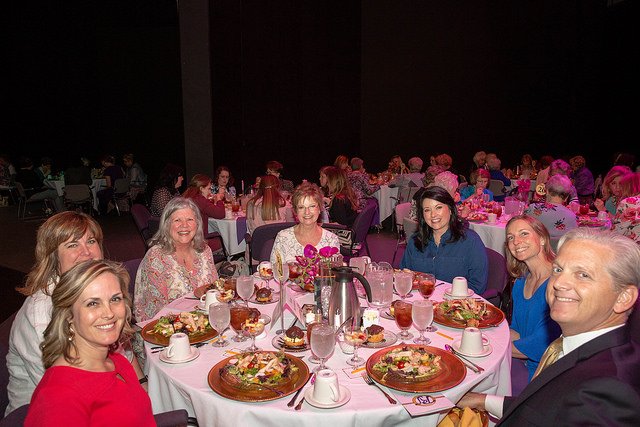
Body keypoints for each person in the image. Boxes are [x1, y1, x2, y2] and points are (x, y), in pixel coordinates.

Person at [459, 228, 640, 425]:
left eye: (583, 275)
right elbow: (546, 407)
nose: (559, 283)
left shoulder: (611, 390)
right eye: (558, 270)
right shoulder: (574, 345)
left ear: (624, 298)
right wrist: (483, 400)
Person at [6, 212, 143, 414]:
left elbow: (125, 351)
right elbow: (63, 397)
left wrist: (144, 391)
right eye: (72, 245)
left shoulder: (103, 287)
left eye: (91, 241)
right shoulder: (43, 313)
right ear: (54, 258)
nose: (86, 252)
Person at [24, 260, 155, 426]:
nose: (109, 313)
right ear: (68, 315)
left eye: (115, 299)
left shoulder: (117, 361)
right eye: (93, 303)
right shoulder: (58, 397)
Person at [134, 197, 218, 322]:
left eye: (190, 219)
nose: (184, 225)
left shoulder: (204, 251)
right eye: (177, 220)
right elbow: (154, 313)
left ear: (197, 224)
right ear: (167, 225)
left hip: (207, 322)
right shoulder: (156, 257)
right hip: (169, 330)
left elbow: (214, 290)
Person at [400, 186, 488, 294]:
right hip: (420, 302)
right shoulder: (415, 241)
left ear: (450, 209)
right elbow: (405, 274)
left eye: (438, 207)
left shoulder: (470, 241)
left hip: (456, 305)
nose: (433, 215)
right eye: (427, 210)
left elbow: (478, 285)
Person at [504, 215, 561, 381]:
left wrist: (487, 345)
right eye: (510, 237)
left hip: (545, 374)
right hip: (522, 364)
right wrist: (483, 334)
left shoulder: (558, 285)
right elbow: (517, 331)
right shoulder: (521, 282)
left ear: (542, 239)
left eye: (524, 234)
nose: (516, 241)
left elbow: (541, 345)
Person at [270, 182, 339, 266]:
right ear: (295, 211)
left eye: (312, 206)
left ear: (320, 208)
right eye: (301, 207)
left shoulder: (331, 240)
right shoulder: (283, 238)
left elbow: (334, 275)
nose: (307, 212)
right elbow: (275, 272)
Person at [523, 174, 578, 249]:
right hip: (560, 256)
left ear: (547, 192)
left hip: (535, 253)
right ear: (566, 197)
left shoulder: (533, 209)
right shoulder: (572, 217)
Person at [182, 173, 226, 252]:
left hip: (186, 240)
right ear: (201, 188)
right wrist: (219, 199)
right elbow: (221, 214)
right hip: (197, 242)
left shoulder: (186, 196)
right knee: (226, 241)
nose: (209, 192)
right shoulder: (200, 200)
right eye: (208, 189)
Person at [611, 172, 640, 244]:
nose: (620, 188)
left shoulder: (628, 202)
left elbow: (616, 233)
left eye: (622, 185)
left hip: (633, 250)